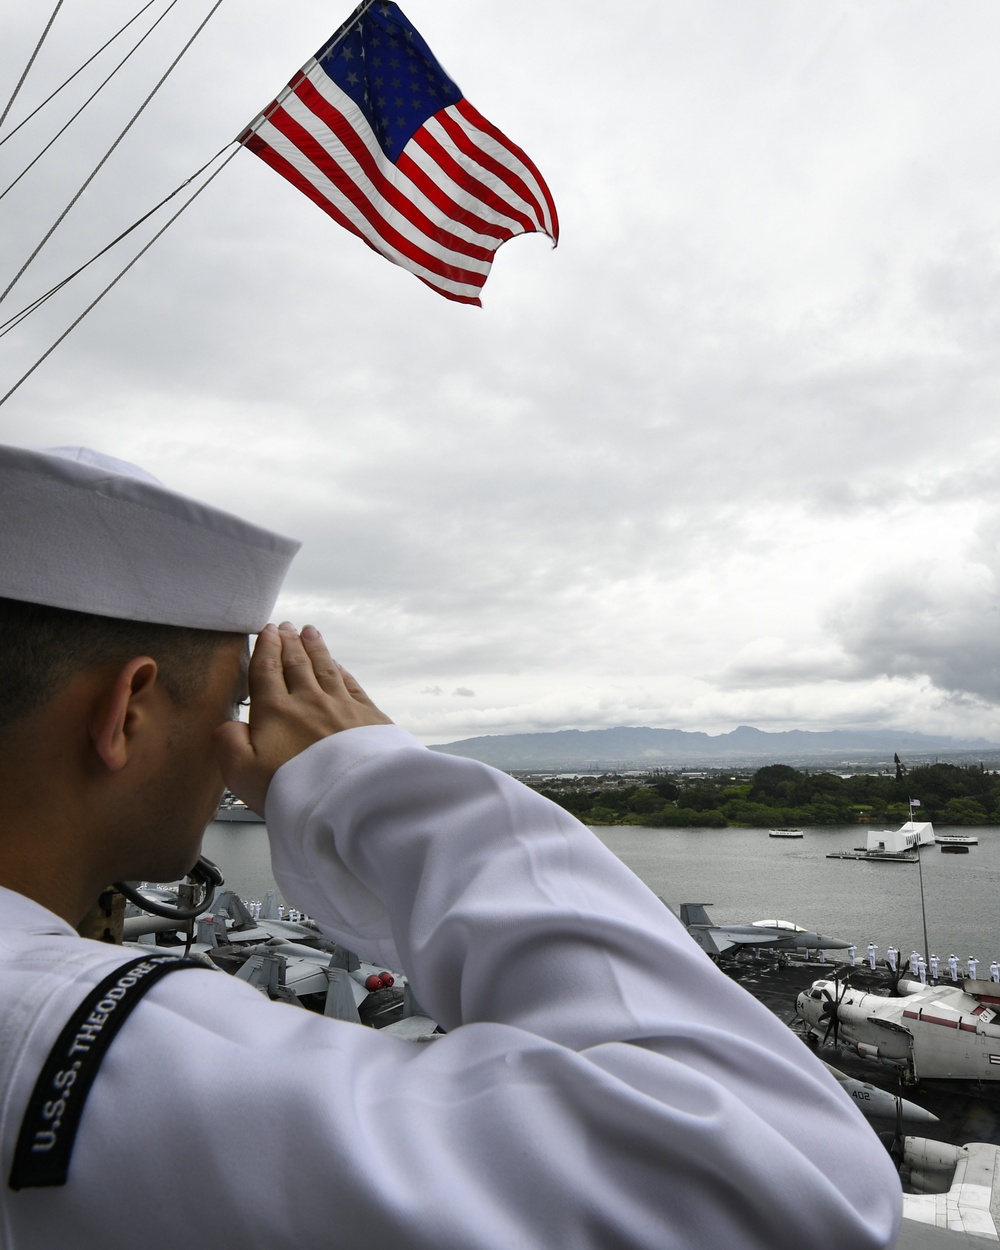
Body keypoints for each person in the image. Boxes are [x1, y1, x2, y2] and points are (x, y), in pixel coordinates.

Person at [0, 444, 901, 1249]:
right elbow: (802, 1180)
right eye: (234, 707)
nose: (240, 743)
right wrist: (371, 778)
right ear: (129, 708)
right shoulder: (47, 1029)